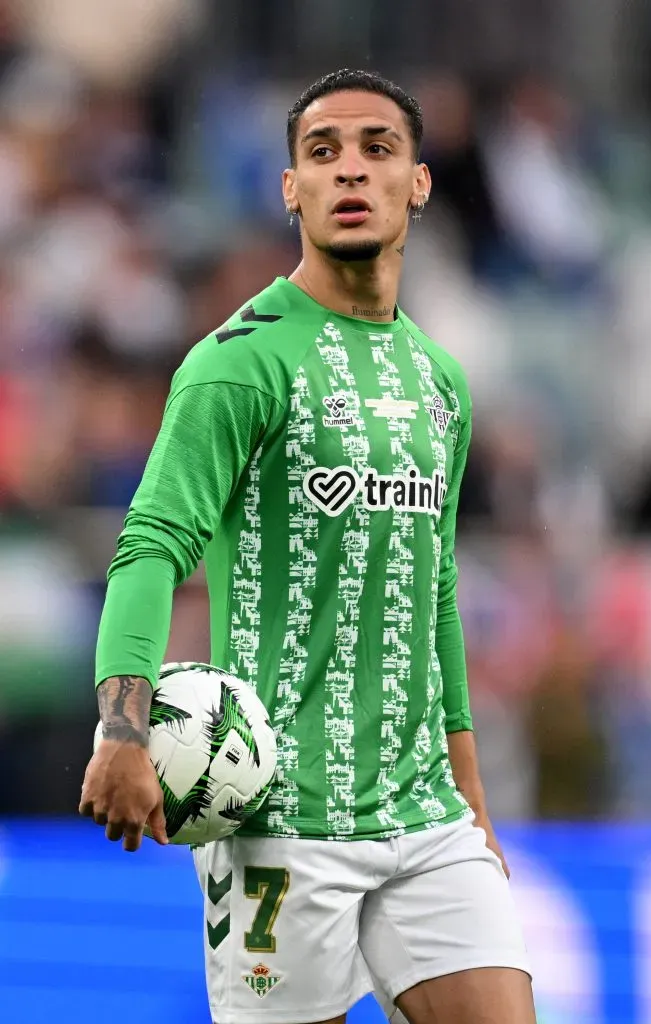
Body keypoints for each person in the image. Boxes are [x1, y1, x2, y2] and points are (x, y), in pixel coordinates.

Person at [79, 69, 535, 1024]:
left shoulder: (440, 380)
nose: (350, 172)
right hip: (279, 820)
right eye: (322, 153)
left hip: (425, 817)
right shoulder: (238, 362)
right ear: (291, 189)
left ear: (419, 182)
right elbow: (151, 544)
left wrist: (472, 794)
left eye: (378, 148)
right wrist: (121, 727)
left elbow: (435, 591)